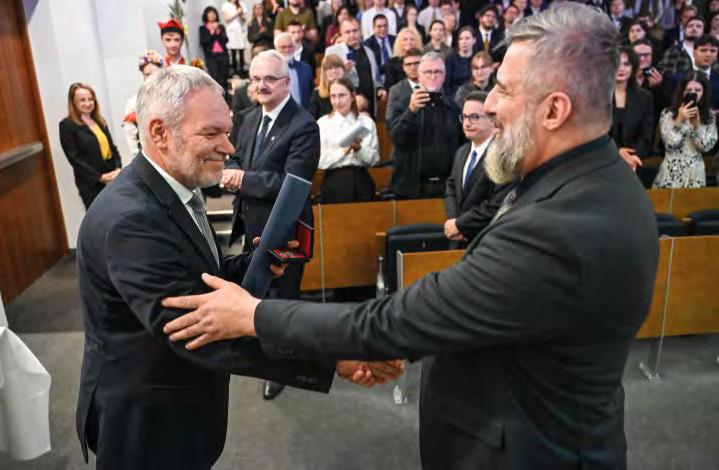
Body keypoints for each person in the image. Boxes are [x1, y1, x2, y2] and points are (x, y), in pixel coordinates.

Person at [162, 5, 661, 470]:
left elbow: (397, 320)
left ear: (554, 111)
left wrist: (254, 315)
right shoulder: (590, 182)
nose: (488, 104)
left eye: (504, 91)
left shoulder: (562, 227)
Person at [74, 64, 399, 470]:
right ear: (159, 132)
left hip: (182, 406)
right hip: (148, 424)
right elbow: (198, 329)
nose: (228, 147)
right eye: (212, 133)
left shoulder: (173, 188)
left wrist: (252, 263)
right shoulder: (131, 220)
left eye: (227, 131)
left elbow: (194, 274)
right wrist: (332, 355)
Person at [222, 50, 323, 400]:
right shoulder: (249, 118)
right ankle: (263, 355)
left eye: (269, 79)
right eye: (255, 79)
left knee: (283, 301)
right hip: (252, 224)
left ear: (286, 82)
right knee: (258, 295)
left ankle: (281, 368)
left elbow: (291, 183)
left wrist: (242, 180)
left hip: (287, 231)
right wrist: (234, 171)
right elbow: (235, 157)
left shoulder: (304, 125)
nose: (261, 85)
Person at [444, 91, 515, 247]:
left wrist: (461, 225)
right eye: (464, 117)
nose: (467, 123)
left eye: (474, 117)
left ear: (492, 121)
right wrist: (453, 221)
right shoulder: (461, 152)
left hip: (485, 241)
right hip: (457, 237)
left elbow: (496, 204)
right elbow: (451, 186)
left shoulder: (502, 156)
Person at [388, 52, 463, 198]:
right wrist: (411, 111)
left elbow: (462, 145)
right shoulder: (403, 104)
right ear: (419, 75)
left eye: (438, 72)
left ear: (444, 76)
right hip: (412, 188)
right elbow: (396, 138)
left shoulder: (453, 107)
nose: (433, 76)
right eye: (428, 72)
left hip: (447, 187)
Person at [59, 83, 122, 210]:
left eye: (90, 99)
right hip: (91, 184)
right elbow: (75, 160)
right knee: (101, 217)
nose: (88, 103)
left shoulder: (99, 120)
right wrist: (99, 177)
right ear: (73, 102)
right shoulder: (67, 125)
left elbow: (112, 148)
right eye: (82, 100)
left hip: (113, 177)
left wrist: (118, 168)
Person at [317, 77, 380, 202]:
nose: (337, 101)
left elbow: (374, 159)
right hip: (334, 181)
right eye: (333, 96)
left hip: (362, 180)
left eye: (342, 95)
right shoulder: (323, 124)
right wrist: (343, 151)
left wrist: (359, 149)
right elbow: (320, 161)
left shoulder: (366, 122)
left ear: (352, 96)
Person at [654, 72, 718, 187]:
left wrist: (697, 127)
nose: (693, 93)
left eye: (697, 90)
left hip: (696, 175)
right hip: (671, 173)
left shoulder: (709, 116)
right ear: (682, 91)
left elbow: (705, 147)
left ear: (704, 92)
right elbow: (670, 144)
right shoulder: (668, 113)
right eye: (688, 90)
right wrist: (679, 121)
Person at [325, 17, 386, 118]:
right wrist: (342, 71)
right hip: (345, 108)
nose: (352, 35)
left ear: (360, 31)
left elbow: (376, 78)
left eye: (355, 31)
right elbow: (327, 81)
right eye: (348, 32)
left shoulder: (369, 51)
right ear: (341, 34)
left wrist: (379, 88)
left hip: (370, 106)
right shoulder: (332, 52)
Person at [611, 47, 655, 173]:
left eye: (626, 64)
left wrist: (633, 156)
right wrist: (618, 151)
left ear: (633, 68)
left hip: (634, 161)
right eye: (617, 63)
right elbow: (596, 134)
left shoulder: (644, 97)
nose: (621, 68)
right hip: (604, 159)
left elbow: (646, 135)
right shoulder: (598, 96)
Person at [123, 50, 164, 154]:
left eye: (155, 73)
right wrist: (136, 153)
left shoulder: (173, 96)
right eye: (147, 74)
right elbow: (130, 132)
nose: (151, 77)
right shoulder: (134, 102)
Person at [274, 32, 313, 108]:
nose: (287, 50)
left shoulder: (306, 69)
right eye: (283, 47)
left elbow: (310, 94)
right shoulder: (270, 70)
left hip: (302, 112)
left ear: (294, 48)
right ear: (276, 49)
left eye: (290, 46)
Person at [386, 47, 423, 128]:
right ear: (403, 67)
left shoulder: (432, 86)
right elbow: (390, 120)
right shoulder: (395, 91)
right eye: (409, 64)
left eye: (417, 63)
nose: (413, 67)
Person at [199, 7, 230, 93]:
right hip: (211, 57)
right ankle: (217, 97)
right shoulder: (203, 28)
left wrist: (219, 32)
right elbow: (203, 42)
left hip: (223, 55)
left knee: (224, 79)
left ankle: (226, 98)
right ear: (206, 15)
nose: (212, 15)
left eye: (214, 13)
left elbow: (226, 40)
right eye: (210, 13)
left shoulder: (220, 26)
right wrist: (212, 32)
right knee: (215, 79)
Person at [309, 53, 345, 119]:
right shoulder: (317, 94)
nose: (334, 71)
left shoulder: (352, 90)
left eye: (337, 67)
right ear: (324, 72)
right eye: (330, 68)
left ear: (343, 69)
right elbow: (312, 120)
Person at [443, 26, 476, 97]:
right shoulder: (450, 58)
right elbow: (446, 84)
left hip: (474, 95)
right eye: (461, 39)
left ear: (474, 40)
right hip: (454, 96)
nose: (464, 42)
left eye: (467, 38)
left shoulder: (477, 58)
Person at [364, 14, 396, 82]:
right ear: (373, 28)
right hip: (378, 78)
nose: (383, 29)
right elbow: (371, 68)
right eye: (379, 26)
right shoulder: (367, 45)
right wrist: (388, 67)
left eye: (385, 26)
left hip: (395, 76)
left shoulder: (396, 40)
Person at [222, 0, 250, 77]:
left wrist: (241, 15)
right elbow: (227, 19)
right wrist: (237, 13)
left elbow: (244, 19)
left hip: (240, 30)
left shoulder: (241, 4)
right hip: (232, 31)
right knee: (233, 51)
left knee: (241, 50)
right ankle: (234, 71)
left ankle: (241, 70)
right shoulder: (226, 5)